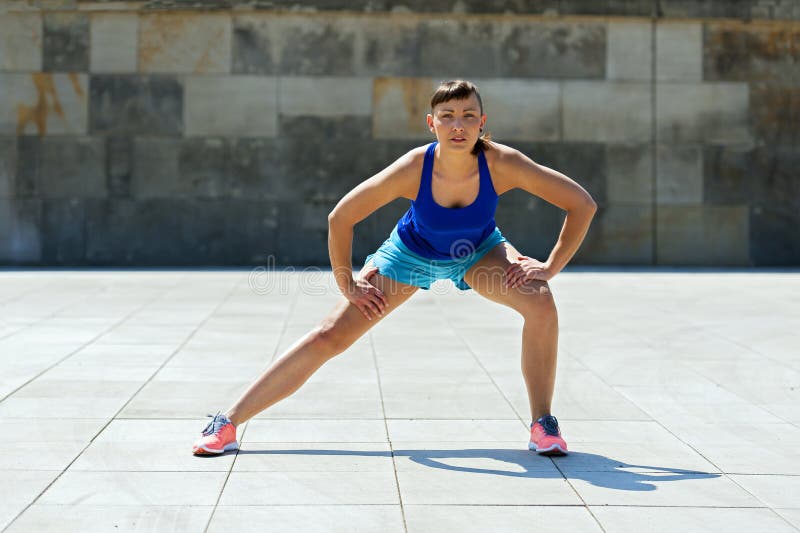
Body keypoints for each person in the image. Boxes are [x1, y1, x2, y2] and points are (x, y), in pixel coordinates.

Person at [192, 79, 597, 457]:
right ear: (431, 124)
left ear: (482, 123)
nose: (459, 125)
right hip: (410, 255)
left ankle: (543, 424)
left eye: (468, 116)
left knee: (541, 302)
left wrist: (549, 267)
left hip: (477, 253)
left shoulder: (503, 163)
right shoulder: (413, 167)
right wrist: (347, 284)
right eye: (448, 117)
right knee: (330, 336)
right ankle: (227, 423)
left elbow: (581, 203)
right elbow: (341, 217)